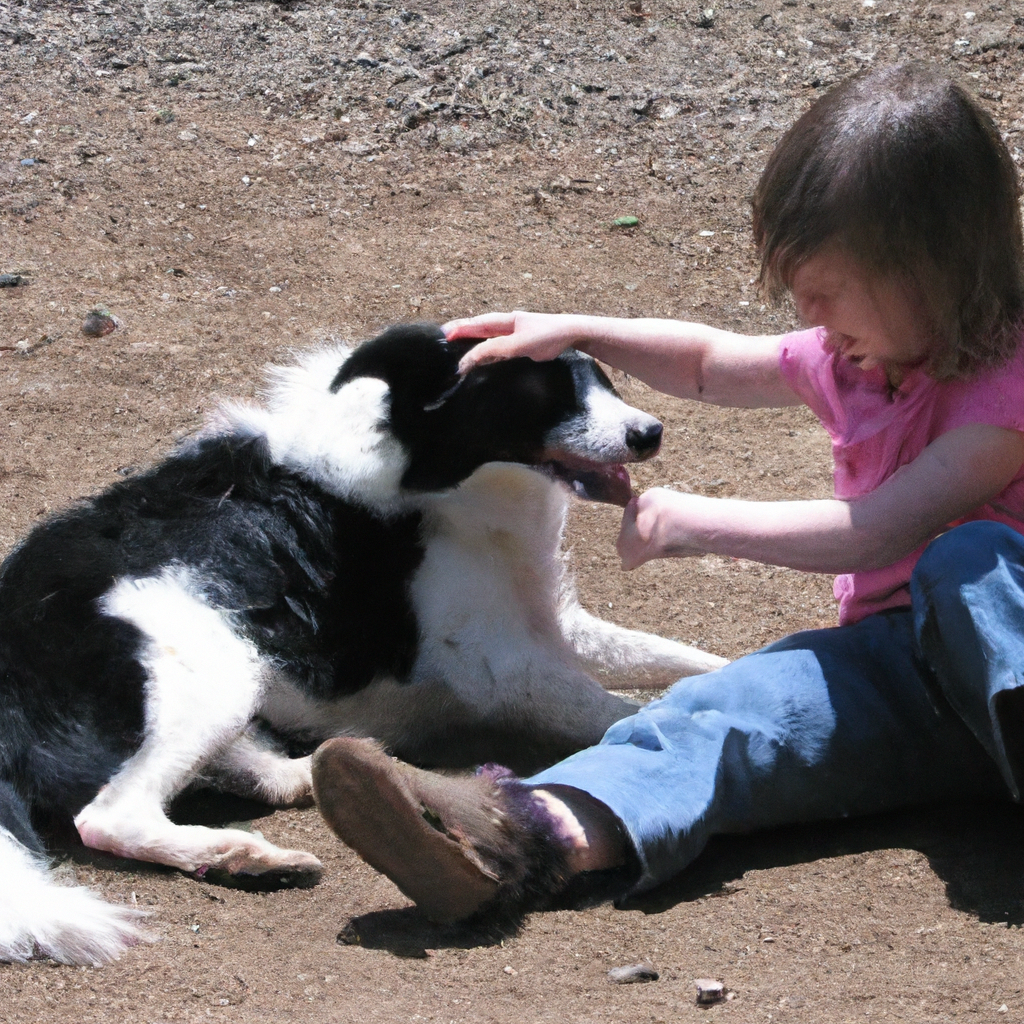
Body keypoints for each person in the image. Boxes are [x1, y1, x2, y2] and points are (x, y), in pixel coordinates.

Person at [310, 62, 1024, 925]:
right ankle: (516, 837)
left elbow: (877, 531)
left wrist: (702, 522)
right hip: (908, 682)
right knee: (722, 711)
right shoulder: (856, 358)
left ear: (934, 267)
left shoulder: (1005, 390)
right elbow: (708, 361)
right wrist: (575, 328)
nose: (810, 314)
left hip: (1000, 642)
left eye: (830, 294)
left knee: (971, 564)